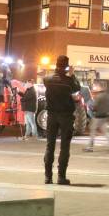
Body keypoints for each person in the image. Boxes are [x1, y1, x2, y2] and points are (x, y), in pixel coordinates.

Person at [43, 55, 80, 185]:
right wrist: (72, 74)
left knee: (50, 146)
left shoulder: (47, 79)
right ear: (66, 66)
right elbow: (77, 88)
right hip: (66, 116)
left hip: (51, 116)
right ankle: (61, 177)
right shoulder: (69, 81)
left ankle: (48, 177)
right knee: (64, 147)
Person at [84, 85, 109, 153]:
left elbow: (95, 107)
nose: (94, 93)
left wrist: (91, 108)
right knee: (106, 132)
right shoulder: (106, 96)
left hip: (98, 117)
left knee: (92, 131)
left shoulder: (98, 97)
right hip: (104, 116)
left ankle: (90, 147)